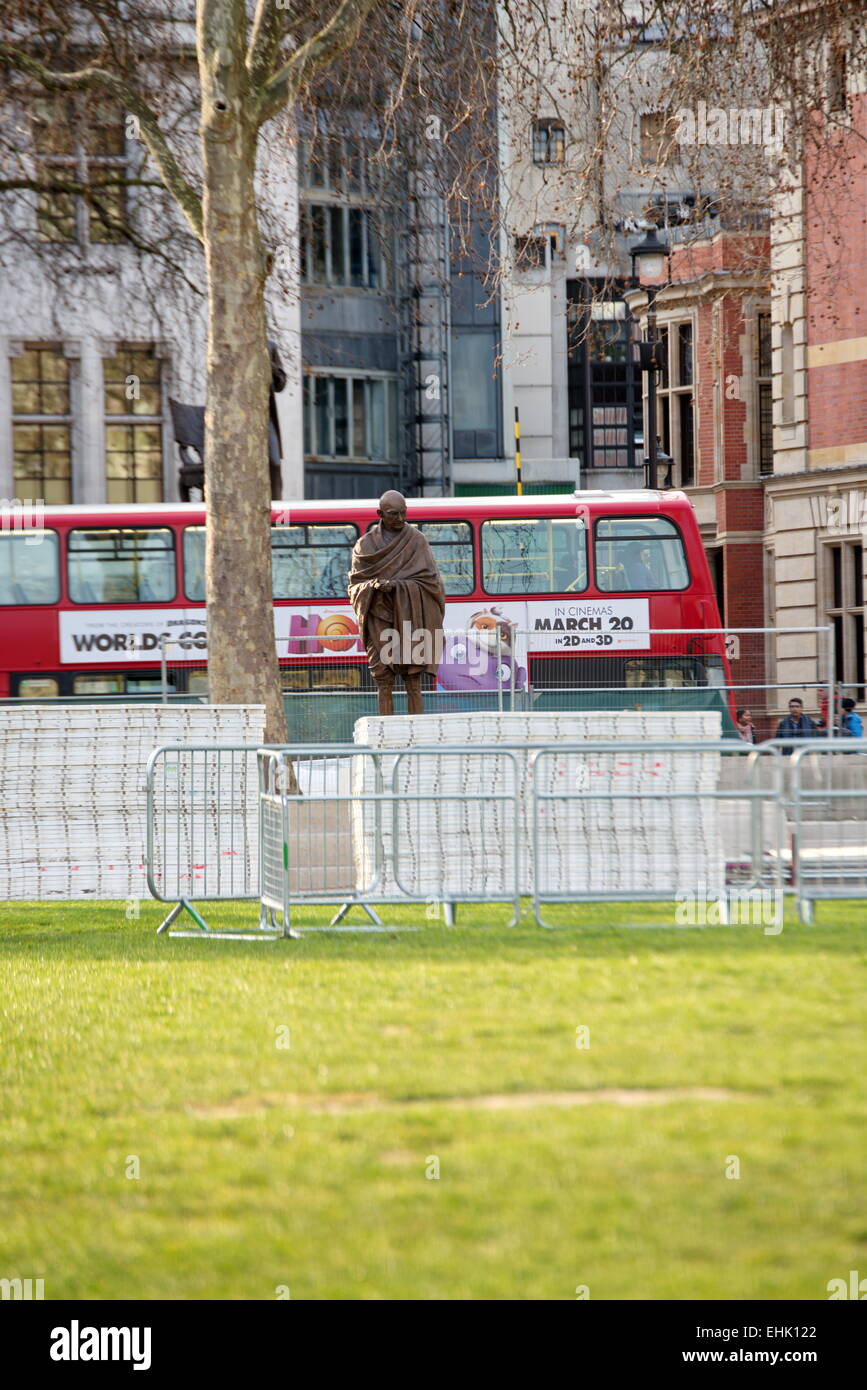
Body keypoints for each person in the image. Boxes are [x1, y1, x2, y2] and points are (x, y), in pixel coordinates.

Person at [347, 491, 445, 716]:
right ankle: (385, 739)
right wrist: (374, 587)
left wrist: (400, 587)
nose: (400, 519)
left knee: (413, 680)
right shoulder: (365, 545)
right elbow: (355, 585)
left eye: (403, 513)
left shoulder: (417, 540)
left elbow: (431, 581)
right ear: (380, 513)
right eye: (393, 514)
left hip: (412, 615)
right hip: (379, 618)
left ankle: (418, 736)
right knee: (383, 679)